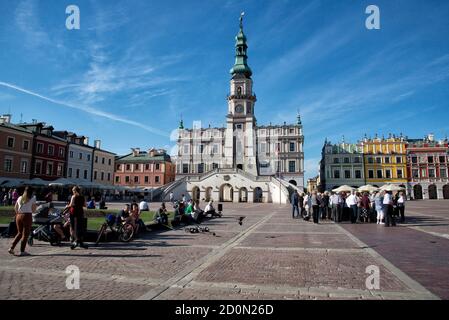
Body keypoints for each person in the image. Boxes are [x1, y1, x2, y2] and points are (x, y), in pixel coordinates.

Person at [8, 186, 37, 256]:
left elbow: (15, 208)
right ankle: (22, 251)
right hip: (27, 216)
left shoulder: (20, 197)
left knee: (19, 233)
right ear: (31, 192)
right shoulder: (33, 198)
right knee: (25, 234)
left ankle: (11, 248)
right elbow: (33, 210)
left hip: (19, 215)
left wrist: (19, 213)